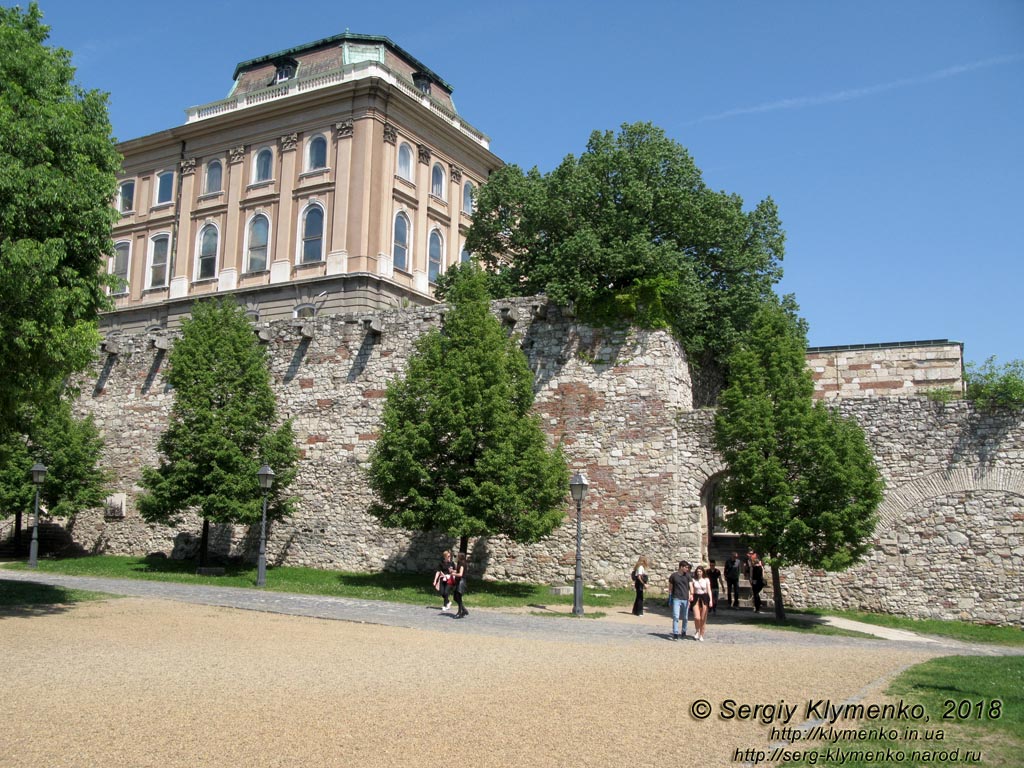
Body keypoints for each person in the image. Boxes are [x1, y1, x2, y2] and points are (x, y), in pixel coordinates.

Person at [667, 560, 692, 640]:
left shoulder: (688, 576)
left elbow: (691, 586)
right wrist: (670, 595)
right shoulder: (673, 576)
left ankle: (684, 631)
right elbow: (670, 586)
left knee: (685, 617)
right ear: (681, 567)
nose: (687, 569)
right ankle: (675, 633)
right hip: (676, 598)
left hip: (685, 598)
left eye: (688, 567)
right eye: (686, 567)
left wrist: (691, 594)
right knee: (676, 616)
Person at [690, 565, 713, 641]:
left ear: (703, 572)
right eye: (697, 571)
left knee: (703, 618)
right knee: (697, 617)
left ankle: (702, 634)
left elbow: (709, 590)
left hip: (704, 597)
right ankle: (697, 630)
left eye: (700, 571)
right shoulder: (694, 580)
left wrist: (711, 600)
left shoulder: (706, 580)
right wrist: (691, 596)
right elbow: (691, 590)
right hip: (696, 597)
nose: (699, 573)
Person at [452, 551, 469, 618]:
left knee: (458, 597)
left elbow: (460, 574)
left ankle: (460, 612)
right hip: (458, 581)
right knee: (455, 597)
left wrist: (454, 574)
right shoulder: (459, 563)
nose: (456, 557)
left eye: (458, 556)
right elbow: (458, 571)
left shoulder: (462, 564)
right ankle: (463, 609)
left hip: (461, 582)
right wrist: (453, 571)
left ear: (460, 557)